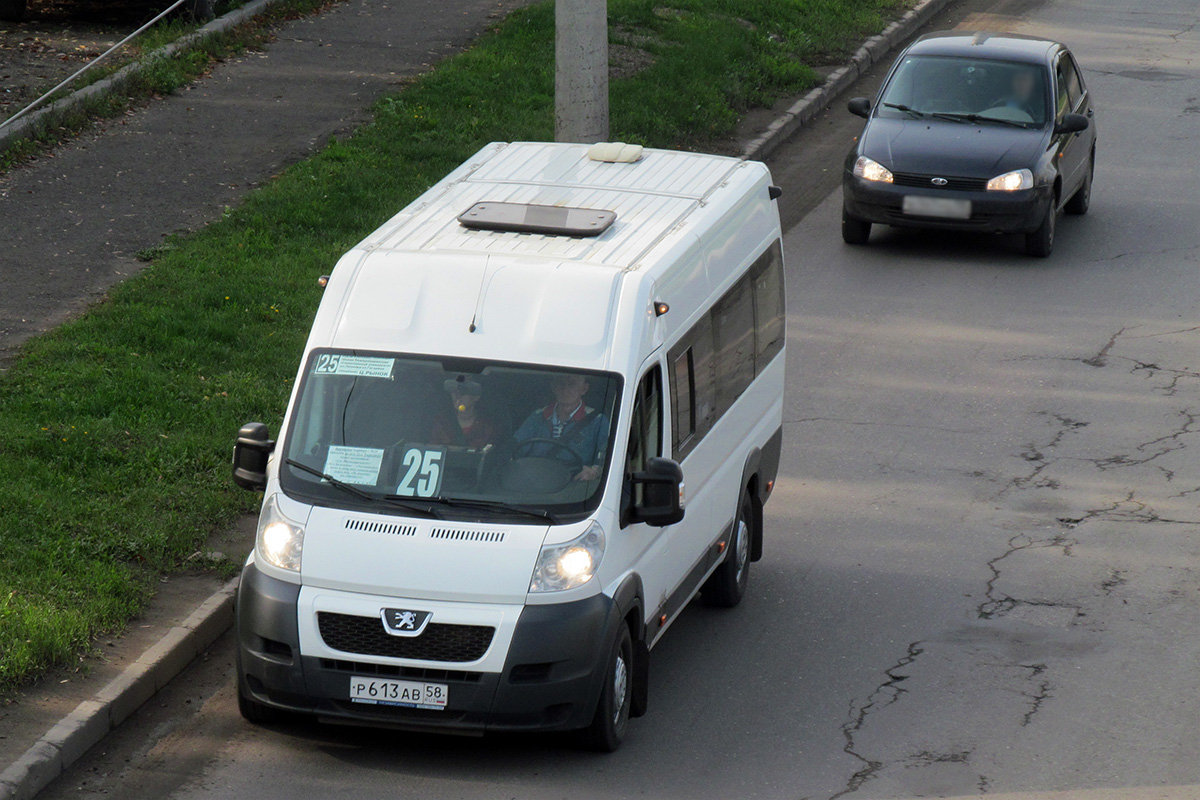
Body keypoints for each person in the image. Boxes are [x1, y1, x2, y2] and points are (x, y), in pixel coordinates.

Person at [513, 373, 607, 481]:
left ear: (584, 389)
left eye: (572, 384)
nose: (565, 390)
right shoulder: (537, 417)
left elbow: (607, 459)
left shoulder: (598, 421)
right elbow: (515, 446)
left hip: (574, 487)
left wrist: (595, 471)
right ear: (553, 387)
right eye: (560, 384)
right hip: (534, 482)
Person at [431, 375, 498, 449]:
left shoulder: (487, 425)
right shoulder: (442, 422)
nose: (457, 395)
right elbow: (433, 450)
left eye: (463, 392)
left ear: (476, 397)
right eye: (454, 391)